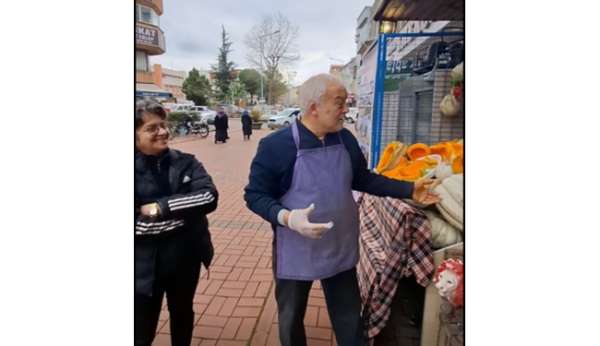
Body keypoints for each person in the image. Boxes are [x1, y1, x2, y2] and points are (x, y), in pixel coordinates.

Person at [244, 74, 440, 346]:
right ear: (314, 107)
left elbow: (363, 179)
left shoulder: (345, 139)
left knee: (349, 318)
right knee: (290, 317)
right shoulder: (276, 146)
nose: (346, 110)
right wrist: (287, 217)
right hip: (296, 248)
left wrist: (409, 190)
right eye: (339, 103)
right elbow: (255, 195)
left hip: (339, 245)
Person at [135, 100, 219, 346]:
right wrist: (182, 218)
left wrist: (161, 207)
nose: (162, 131)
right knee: (142, 326)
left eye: (163, 125)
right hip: (142, 267)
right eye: (152, 128)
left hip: (185, 259)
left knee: (182, 314)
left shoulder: (186, 162)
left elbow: (209, 196)